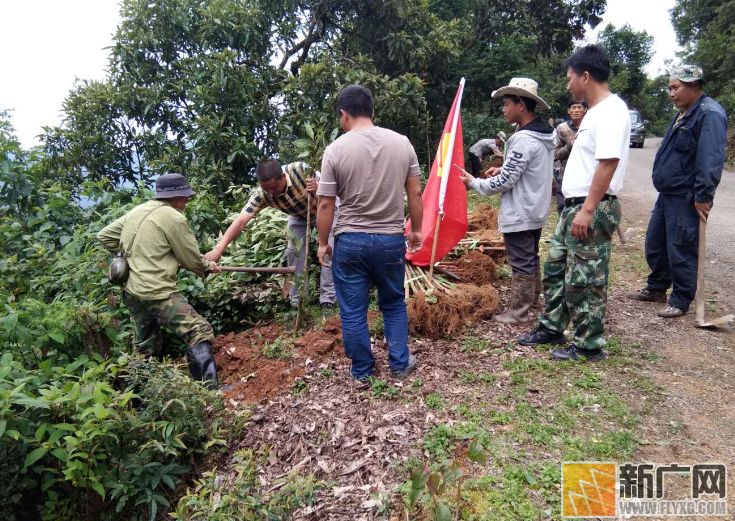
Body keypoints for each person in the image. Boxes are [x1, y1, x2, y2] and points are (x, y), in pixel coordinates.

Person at [518, 44, 630, 361]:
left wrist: (588, 210)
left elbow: (608, 163)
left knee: (586, 279)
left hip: (591, 207)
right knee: (555, 269)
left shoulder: (611, 110)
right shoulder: (594, 113)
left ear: (585, 75)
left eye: (569, 78)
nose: (568, 84)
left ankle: (588, 344)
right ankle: (553, 325)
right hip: (574, 207)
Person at [315, 85, 424, 381]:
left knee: (352, 309)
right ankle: (400, 363)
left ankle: (362, 370)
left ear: (343, 114)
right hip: (390, 239)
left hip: (350, 241)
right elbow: (415, 192)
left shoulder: (335, 149)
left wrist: (323, 243)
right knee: (392, 302)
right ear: (373, 112)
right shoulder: (402, 143)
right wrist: (416, 231)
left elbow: (325, 204)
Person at [97, 174, 221, 388]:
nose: (187, 201)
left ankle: (138, 400)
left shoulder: (138, 211)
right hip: (158, 292)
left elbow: (105, 236)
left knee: (144, 345)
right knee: (198, 331)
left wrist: (138, 256)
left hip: (132, 292)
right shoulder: (174, 218)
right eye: (186, 197)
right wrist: (208, 267)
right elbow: (191, 259)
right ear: (177, 196)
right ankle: (209, 390)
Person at [627, 65, 728, 318]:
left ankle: (681, 299)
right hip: (667, 194)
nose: (671, 93)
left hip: (687, 196)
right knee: (656, 244)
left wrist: (703, 196)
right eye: (670, 87)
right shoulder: (684, 112)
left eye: (676, 87)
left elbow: (710, 159)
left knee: (681, 248)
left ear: (694, 85)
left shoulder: (709, 114)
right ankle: (657, 287)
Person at [459, 78, 554, 324]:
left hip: (521, 209)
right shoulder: (542, 134)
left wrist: (473, 183)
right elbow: (523, 170)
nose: (504, 110)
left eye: (507, 104)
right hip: (536, 206)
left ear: (521, 105)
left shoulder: (523, 139)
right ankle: (533, 300)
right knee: (530, 255)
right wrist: (501, 169)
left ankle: (519, 312)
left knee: (521, 260)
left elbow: (507, 182)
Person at [204, 160, 337, 313]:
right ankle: (298, 302)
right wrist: (219, 249)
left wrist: (318, 188)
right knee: (292, 252)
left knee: (328, 250)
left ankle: (328, 300)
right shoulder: (262, 194)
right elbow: (240, 222)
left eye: (274, 187)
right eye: (266, 188)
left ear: (282, 176)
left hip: (325, 209)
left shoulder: (302, 170)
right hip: (298, 217)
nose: (271, 193)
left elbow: (332, 192)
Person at [553, 100, 588, 214]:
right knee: (563, 207)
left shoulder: (590, 127)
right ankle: (562, 230)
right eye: (573, 107)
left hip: (586, 175)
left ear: (585, 109)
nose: (576, 110)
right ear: (568, 111)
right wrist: (570, 146)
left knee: (583, 208)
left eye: (579, 107)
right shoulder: (561, 128)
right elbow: (555, 154)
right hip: (565, 175)